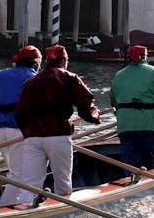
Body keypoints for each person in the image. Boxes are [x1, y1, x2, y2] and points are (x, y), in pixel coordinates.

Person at [13, 44, 101, 206]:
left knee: (29, 182)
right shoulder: (70, 78)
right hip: (58, 135)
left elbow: (19, 113)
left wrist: (27, 133)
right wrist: (95, 117)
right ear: (63, 61)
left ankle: (24, 209)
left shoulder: (31, 82)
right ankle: (63, 209)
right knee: (63, 180)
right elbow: (85, 105)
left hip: (33, 137)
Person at [0, 45, 41, 206]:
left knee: (14, 171)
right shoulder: (34, 78)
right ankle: (5, 208)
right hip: (18, 129)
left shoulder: (0, 74)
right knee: (19, 174)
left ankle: (20, 200)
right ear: (35, 62)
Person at [109, 44, 154, 180]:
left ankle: (130, 181)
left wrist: (123, 113)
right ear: (145, 57)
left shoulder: (119, 75)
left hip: (126, 123)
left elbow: (114, 101)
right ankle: (149, 184)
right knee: (150, 162)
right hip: (149, 122)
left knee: (129, 161)